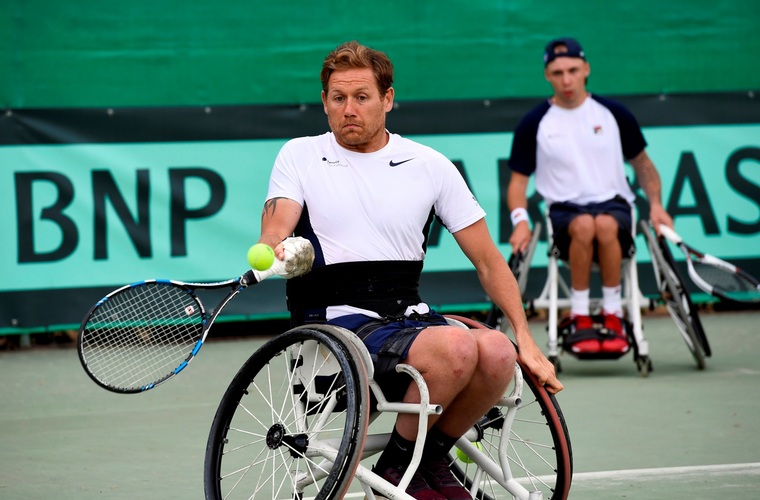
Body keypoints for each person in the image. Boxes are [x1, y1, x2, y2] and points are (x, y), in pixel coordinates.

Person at [257, 41, 562, 500]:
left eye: (362, 97)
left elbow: (487, 260)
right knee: (457, 344)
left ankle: (416, 462)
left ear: (388, 99)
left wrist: (526, 339)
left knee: (498, 351)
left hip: (407, 318)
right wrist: (276, 249)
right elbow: (276, 228)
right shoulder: (300, 155)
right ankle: (409, 468)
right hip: (336, 323)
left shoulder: (429, 165)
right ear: (324, 103)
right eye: (337, 98)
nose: (348, 109)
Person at [507, 37, 673, 355]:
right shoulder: (534, 123)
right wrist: (520, 221)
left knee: (606, 225)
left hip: (613, 205)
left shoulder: (614, 114)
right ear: (547, 75)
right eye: (557, 72)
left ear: (586, 69)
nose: (566, 80)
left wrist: (657, 206)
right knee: (584, 224)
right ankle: (580, 315)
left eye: (572, 70)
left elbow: (643, 165)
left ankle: (614, 313)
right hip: (564, 210)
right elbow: (517, 184)